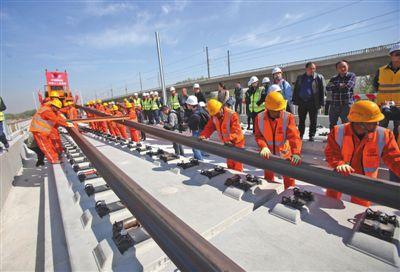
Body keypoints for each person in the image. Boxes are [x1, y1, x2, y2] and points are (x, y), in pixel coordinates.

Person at [325, 100, 400, 206]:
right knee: (330, 202)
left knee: (361, 208)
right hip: (339, 175)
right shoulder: (338, 131)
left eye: (377, 121)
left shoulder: (384, 134)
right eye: (372, 122)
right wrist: (339, 164)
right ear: (358, 122)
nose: (377, 124)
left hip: (364, 181)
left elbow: (395, 159)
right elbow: (331, 152)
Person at [254, 92, 302, 189]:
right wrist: (263, 147)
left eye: (281, 109)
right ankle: (268, 194)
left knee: (289, 178)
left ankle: (289, 194)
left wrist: (296, 152)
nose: (280, 112)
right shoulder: (259, 118)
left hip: (285, 154)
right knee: (268, 178)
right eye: (276, 110)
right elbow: (258, 136)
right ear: (268, 109)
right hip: (268, 154)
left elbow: (294, 136)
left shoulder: (288, 117)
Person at [200, 99, 245, 171]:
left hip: (237, 142)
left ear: (221, 108)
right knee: (230, 162)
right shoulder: (214, 116)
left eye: (217, 113)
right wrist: (204, 135)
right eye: (214, 114)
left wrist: (230, 139)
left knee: (237, 163)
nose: (216, 116)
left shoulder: (231, 114)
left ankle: (238, 177)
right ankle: (231, 177)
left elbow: (236, 130)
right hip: (226, 143)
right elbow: (209, 127)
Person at [29, 99, 73, 164]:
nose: (58, 109)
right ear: (53, 106)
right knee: (45, 146)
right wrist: (66, 124)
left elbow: (58, 117)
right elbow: (56, 119)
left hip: (44, 130)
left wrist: (66, 122)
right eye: (57, 108)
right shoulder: (47, 110)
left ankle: (55, 157)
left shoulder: (51, 109)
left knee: (49, 145)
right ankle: (53, 160)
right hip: (38, 130)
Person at [293, 62, 325, 141]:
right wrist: (295, 100)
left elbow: (322, 90)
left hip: (313, 102)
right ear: (306, 68)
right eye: (311, 68)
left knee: (313, 120)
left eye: (314, 68)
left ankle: (312, 135)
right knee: (301, 120)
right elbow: (296, 89)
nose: (312, 70)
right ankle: (300, 135)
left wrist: (321, 102)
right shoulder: (300, 78)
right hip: (302, 102)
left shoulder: (319, 77)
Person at [374, 44, 400, 140]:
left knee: (398, 130)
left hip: (399, 106)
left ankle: (396, 150)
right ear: (391, 56)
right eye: (397, 54)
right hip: (383, 105)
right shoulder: (381, 71)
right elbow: (375, 86)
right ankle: (381, 150)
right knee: (381, 129)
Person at [326, 60, 356, 130]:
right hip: (334, 104)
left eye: (344, 66)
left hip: (346, 105)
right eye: (340, 67)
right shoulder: (334, 78)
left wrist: (335, 87)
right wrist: (339, 85)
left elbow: (347, 87)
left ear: (347, 67)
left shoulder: (351, 76)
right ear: (337, 69)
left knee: (346, 124)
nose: (342, 69)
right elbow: (327, 88)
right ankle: (332, 139)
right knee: (332, 124)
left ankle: (346, 140)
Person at [186, 95, 210, 160]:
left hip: (197, 130)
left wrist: (187, 124)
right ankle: (197, 158)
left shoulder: (196, 114)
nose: (187, 106)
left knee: (195, 146)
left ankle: (200, 160)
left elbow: (192, 123)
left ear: (190, 104)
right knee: (196, 146)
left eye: (187, 104)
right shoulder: (199, 109)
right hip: (199, 129)